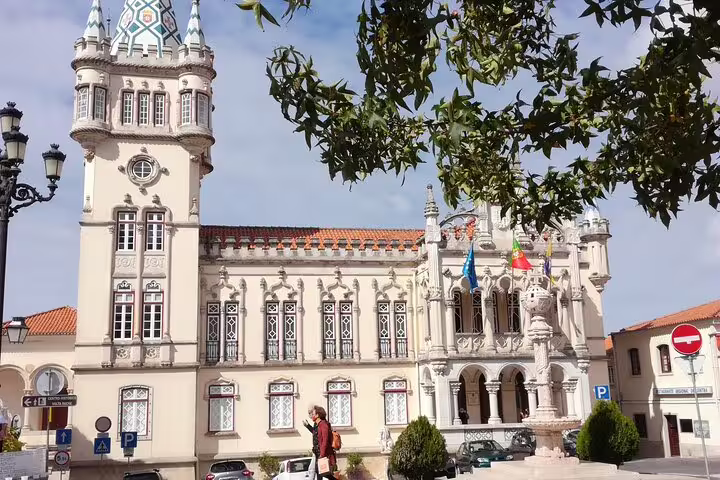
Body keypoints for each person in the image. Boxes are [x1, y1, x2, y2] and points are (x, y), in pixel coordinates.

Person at [305, 405, 336, 480]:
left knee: (322, 472)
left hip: (323, 453)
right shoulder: (318, 424)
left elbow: (325, 441)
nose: (312, 415)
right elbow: (315, 434)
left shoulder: (323, 424)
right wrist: (308, 426)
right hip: (317, 452)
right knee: (319, 472)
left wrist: (322, 455)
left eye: (313, 414)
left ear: (318, 415)